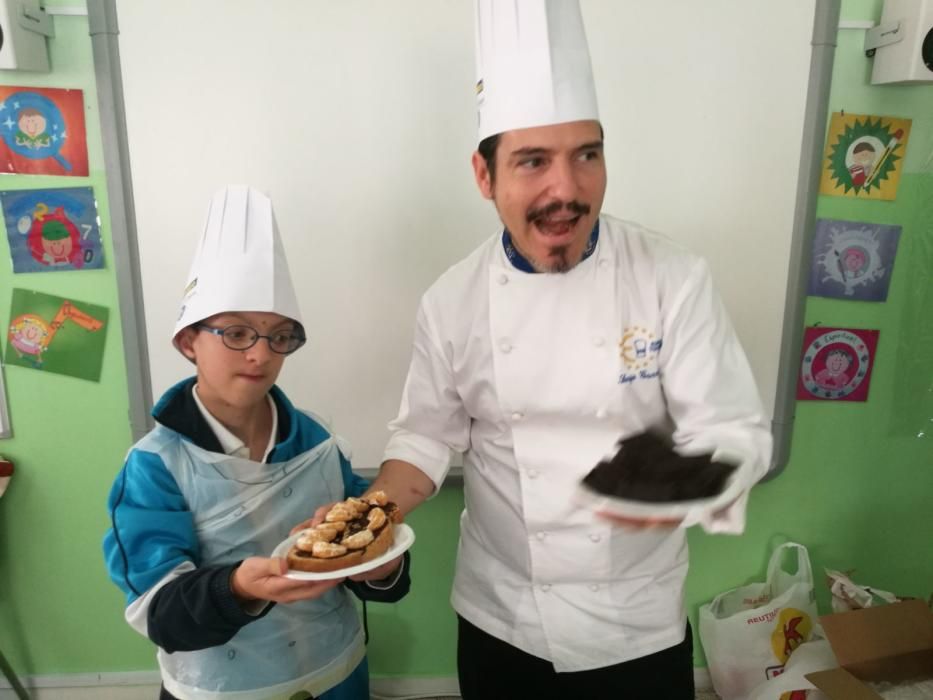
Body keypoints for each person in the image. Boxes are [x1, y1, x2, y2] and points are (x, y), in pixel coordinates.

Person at [359, 1, 772, 698]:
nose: (567, 189)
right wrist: (366, 517)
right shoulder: (451, 299)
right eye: (532, 162)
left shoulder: (672, 278)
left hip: (634, 624)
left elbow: (734, 433)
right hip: (499, 617)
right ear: (484, 176)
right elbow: (424, 438)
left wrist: (674, 482)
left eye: (587, 154)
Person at [103, 186, 409, 700]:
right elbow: (160, 611)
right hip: (225, 690)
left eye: (279, 335)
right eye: (238, 333)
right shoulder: (156, 467)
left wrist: (384, 567)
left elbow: (362, 556)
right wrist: (237, 588)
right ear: (188, 342)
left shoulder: (318, 443)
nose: (260, 355)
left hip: (338, 674)